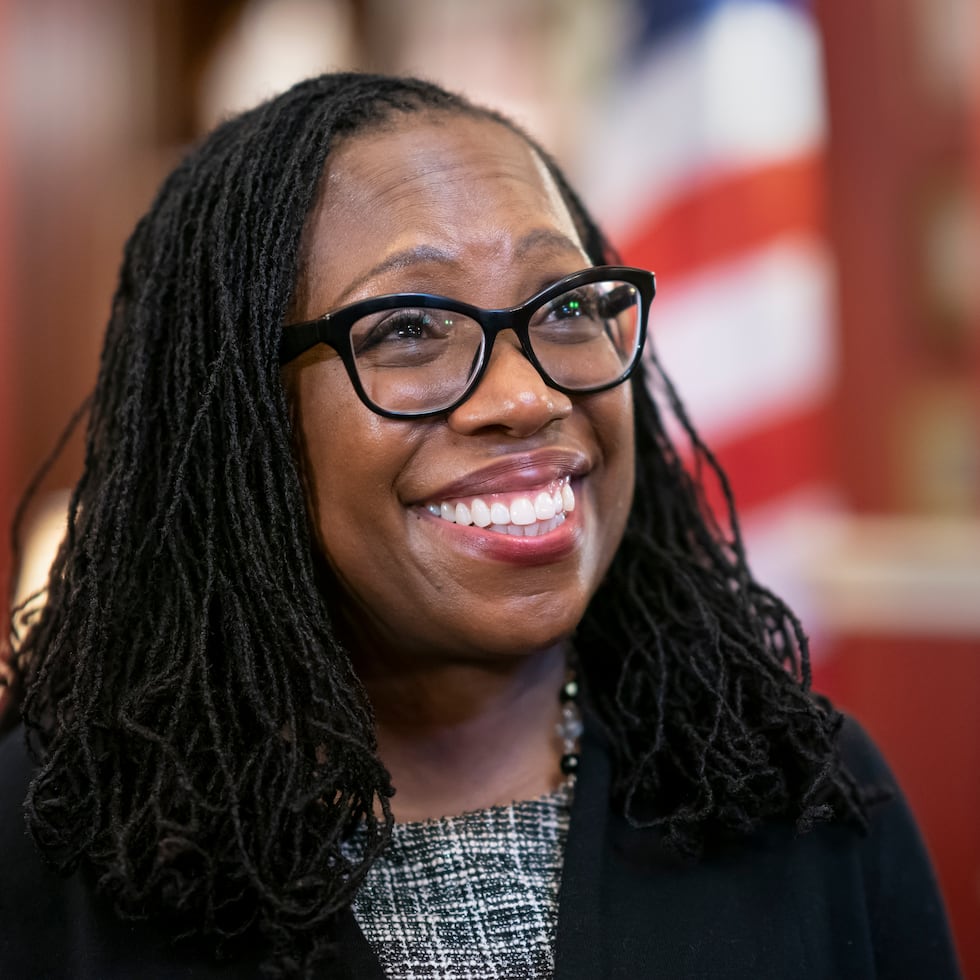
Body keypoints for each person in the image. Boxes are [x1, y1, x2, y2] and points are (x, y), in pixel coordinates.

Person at [0, 72, 961, 980]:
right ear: (237, 420)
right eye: (410, 325)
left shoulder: (801, 796)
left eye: (569, 305)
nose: (529, 395)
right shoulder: (46, 842)